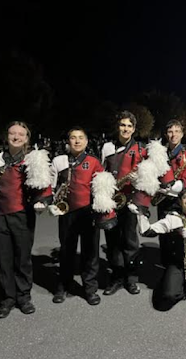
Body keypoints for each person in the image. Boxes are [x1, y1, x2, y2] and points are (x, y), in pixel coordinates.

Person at [0, 121, 52, 319]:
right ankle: (7, 298)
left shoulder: (33, 159)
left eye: (20, 134)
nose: (16, 137)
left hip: (22, 215)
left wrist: (42, 201)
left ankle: (24, 297)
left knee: (22, 259)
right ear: (6, 136)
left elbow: (44, 185)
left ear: (26, 138)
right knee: (2, 258)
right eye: (12, 133)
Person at [101, 111, 174, 296]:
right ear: (118, 126)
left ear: (134, 129)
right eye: (122, 125)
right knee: (112, 241)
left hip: (131, 201)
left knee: (130, 241)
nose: (125, 128)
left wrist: (140, 177)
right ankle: (116, 277)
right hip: (112, 199)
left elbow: (154, 172)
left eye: (129, 126)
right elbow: (102, 172)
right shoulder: (107, 147)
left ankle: (131, 278)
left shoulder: (141, 149)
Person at [49, 127, 117, 306]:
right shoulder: (59, 161)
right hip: (67, 213)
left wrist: (103, 209)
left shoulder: (93, 161)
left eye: (80, 138)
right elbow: (51, 185)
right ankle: (64, 284)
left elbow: (102, 187)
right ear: (68, 141)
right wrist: (52, 203)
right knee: (66, 250)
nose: (77, 141)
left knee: (90, 252)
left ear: (86, 142)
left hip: (88, 214)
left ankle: (90, 288)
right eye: (73, 138)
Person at [154, 119, 186, 220]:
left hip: (181, 200)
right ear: (166, 135)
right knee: (163, 233)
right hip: (163, 200)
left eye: (177, 131)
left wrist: (178, 185)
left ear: (182, 134)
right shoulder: (160, 154)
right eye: (170, 132)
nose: (174, 135)